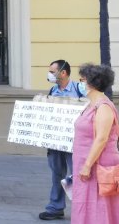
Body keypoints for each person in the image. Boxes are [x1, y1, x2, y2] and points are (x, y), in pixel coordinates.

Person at [71, 64, 119, 224]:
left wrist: (87, 165)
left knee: (100, 206)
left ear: (92, 83)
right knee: (86, 202)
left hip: (97, 164)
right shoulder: (91, 104)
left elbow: (101, 138)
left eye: (82, 80)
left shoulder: (104, 107)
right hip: (87, 162)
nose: (80, 83)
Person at [39, 59, 82, 220]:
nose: (49, 74)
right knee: (57, 174)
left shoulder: (80, 89)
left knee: (76, 175)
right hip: (56, 141)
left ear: (63, 73)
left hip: (74, 142)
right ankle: (55, 208)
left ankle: (80, 207)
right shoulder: (53, 90)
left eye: (52, 71)